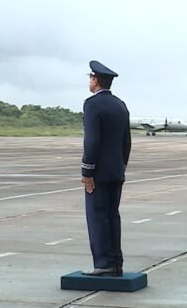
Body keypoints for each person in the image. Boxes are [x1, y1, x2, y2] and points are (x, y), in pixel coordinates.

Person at [81, 60, 132, 277]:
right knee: (113, 216)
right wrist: (121, 165)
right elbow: (126, 141)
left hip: (99, 173)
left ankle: (103, 263)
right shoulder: (120, 105)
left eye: (90, 78)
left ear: (95, 80)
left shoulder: (92, 105)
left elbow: (92, 141)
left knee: (97, 216)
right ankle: (116, 262)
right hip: (116, 170)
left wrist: (87, 171)